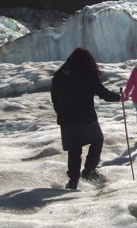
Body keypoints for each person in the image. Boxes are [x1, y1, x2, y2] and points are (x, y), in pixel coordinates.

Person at [51, 48, 122, 190]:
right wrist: (119, 98)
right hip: (86, 117)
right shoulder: (88, 74)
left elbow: (55, 97)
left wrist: (61, 111)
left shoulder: (60, 74)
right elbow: (104, 94)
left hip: (68, 119)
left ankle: (73, 180)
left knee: (74, 149)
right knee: (97, 140)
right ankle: (89, 170)